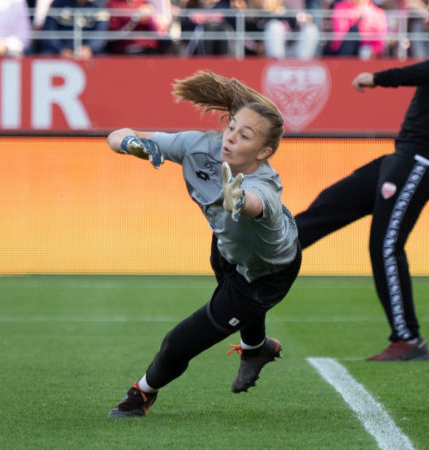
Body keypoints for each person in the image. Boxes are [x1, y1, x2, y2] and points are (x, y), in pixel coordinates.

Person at [294, 0, 429, 361]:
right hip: (403, 159)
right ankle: (264, 256)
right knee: (331, 202)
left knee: (385, 245)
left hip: (422, 162)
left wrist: (380, 78)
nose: (428, 19)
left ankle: (408, 339)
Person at [105, 71, 301, 417]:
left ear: (264, 151)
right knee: (231, 282)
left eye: (245, 136)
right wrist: (132, 144)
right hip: (227, 245)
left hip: (267, 273)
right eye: (231, 128)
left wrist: (239, 200)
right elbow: (115, 136)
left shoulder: (264, 185)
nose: (230, 138)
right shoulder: (199, 146)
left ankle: (141, 395)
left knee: (178, 342)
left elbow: (257, 203)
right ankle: (256, 348)